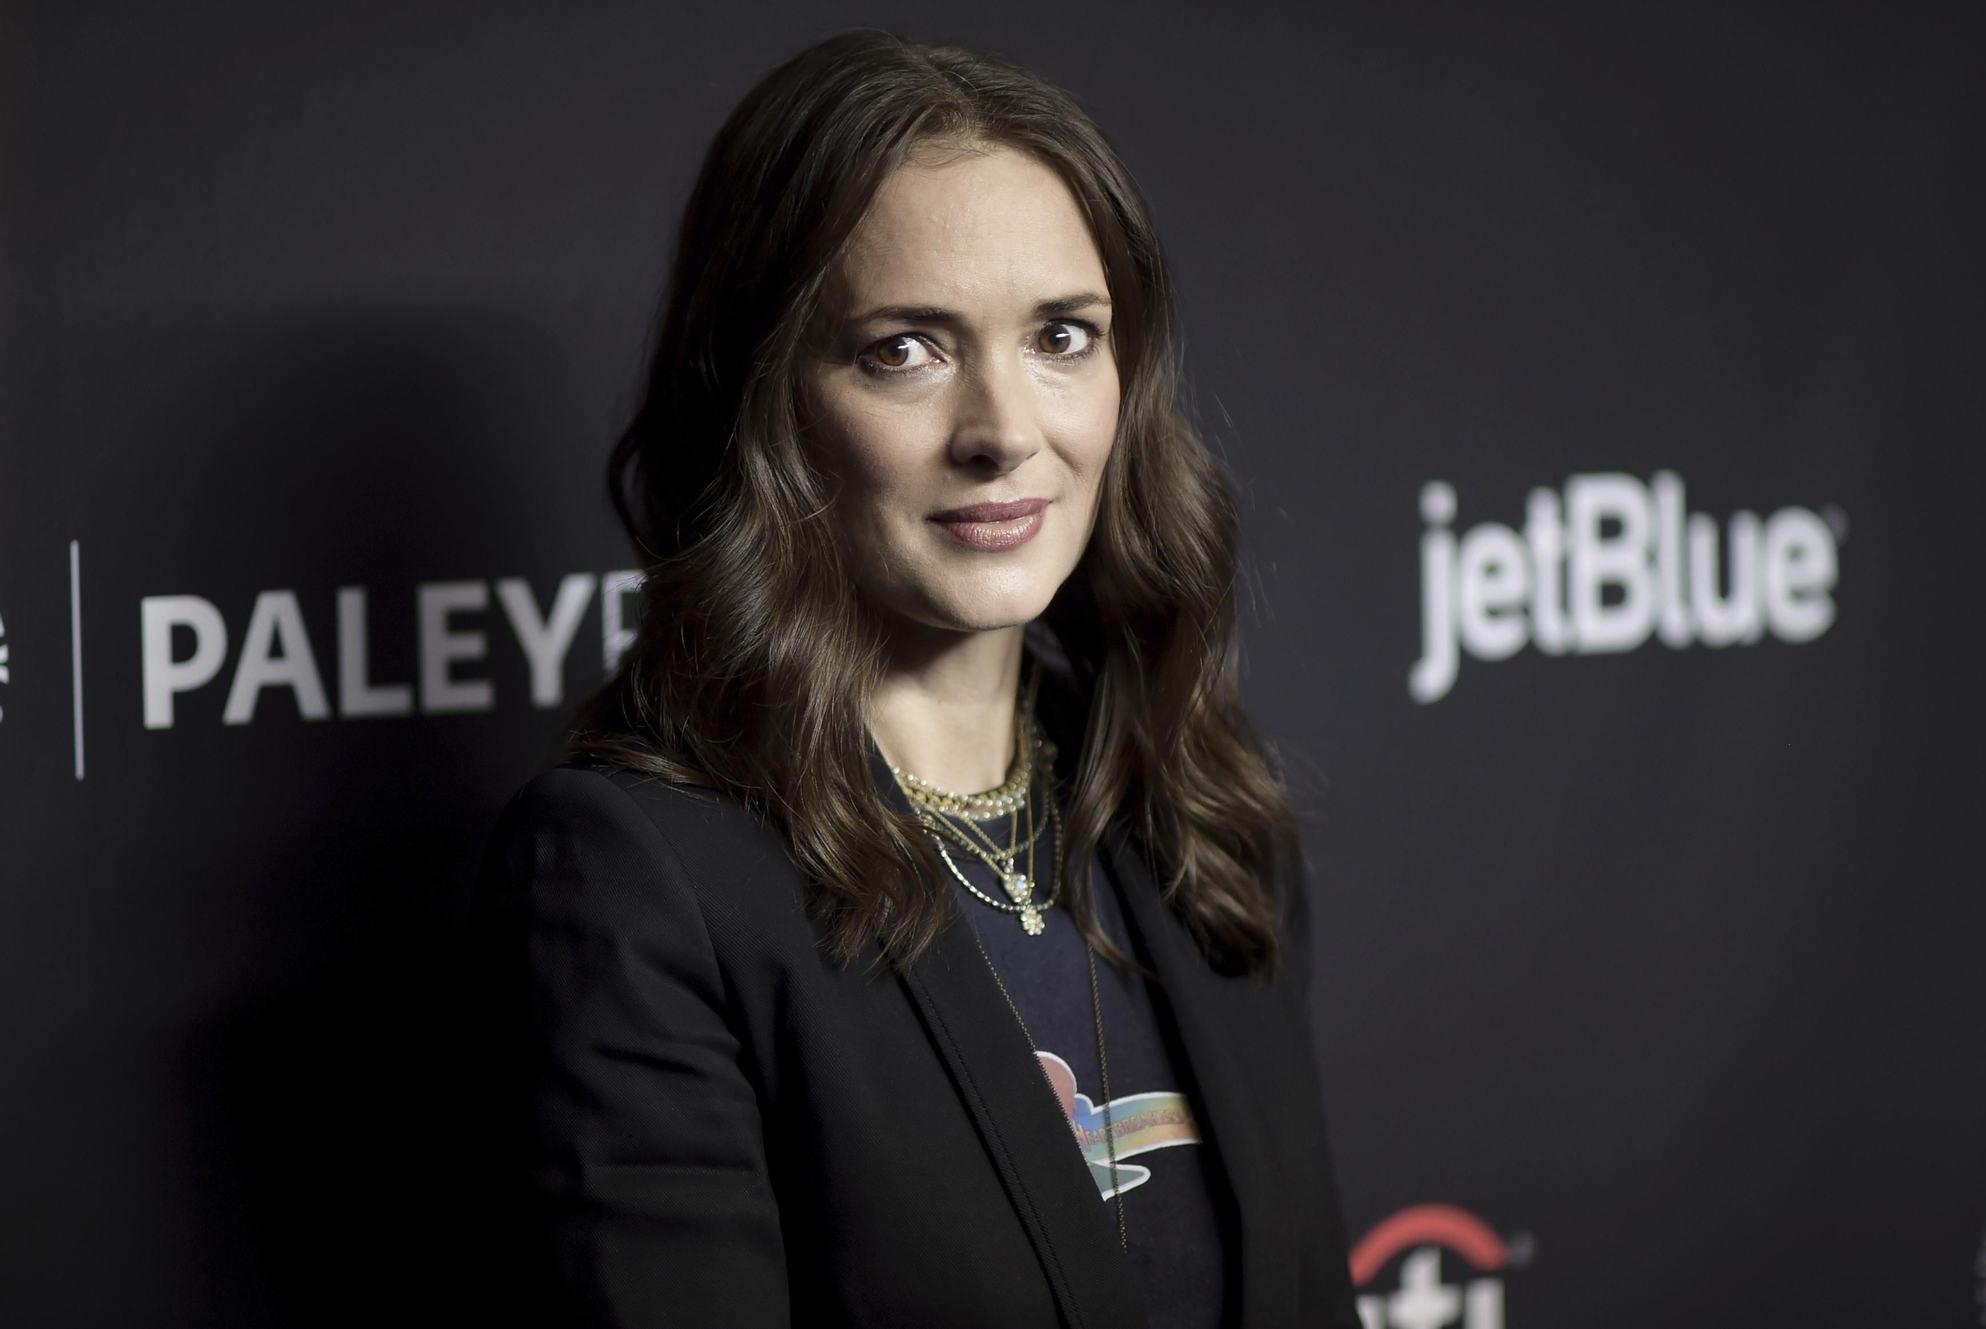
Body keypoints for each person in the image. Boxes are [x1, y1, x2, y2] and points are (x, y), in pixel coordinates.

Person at [477, 30, 1362, 1329]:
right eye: (908, 349)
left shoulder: (1199, 821)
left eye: (1063, 335)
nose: (1006, 432)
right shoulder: (636, 881)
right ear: (764, 395)